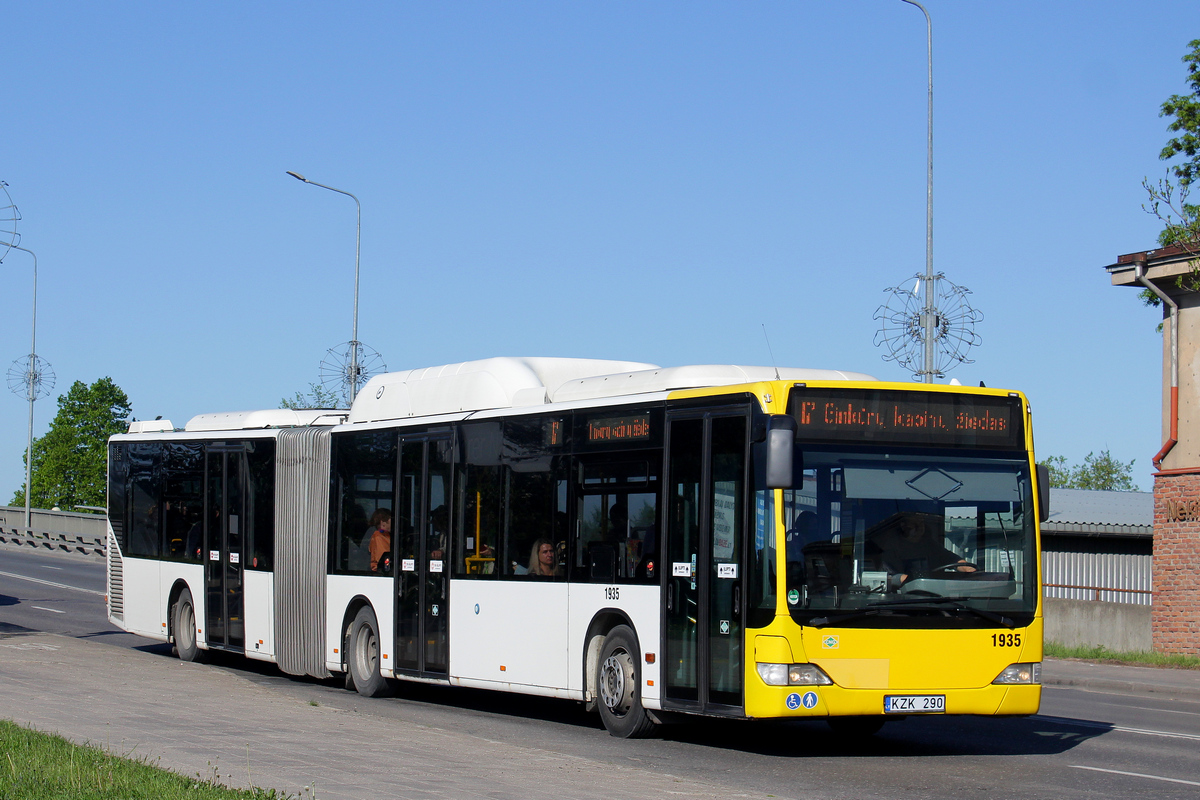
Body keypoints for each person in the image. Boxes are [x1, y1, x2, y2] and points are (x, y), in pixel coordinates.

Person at [872, 512, 975, 582]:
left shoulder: (929, 545)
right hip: (898, 601)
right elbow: (889, 578)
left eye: (921, 524)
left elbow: (953, 560)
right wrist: (911, 580)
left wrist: (968, 568)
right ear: (903, 526)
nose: (920, 528)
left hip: (932, 598)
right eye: (914, 525)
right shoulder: (890, 548)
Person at [367, 508, 393, 572]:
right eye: (391, 520)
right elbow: (382, 561)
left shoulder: (383, 535)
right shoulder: (378, 537)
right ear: (383, 522)